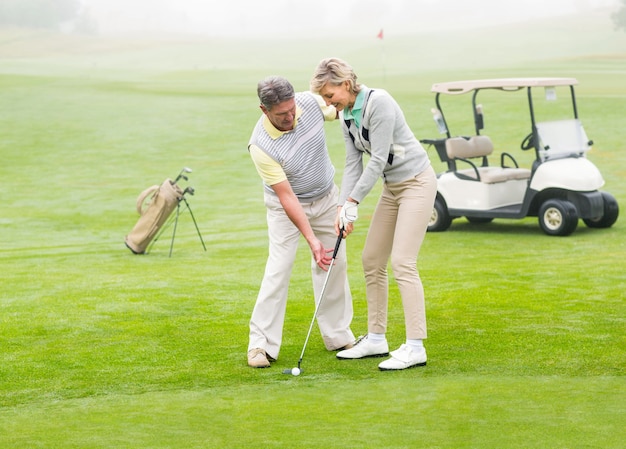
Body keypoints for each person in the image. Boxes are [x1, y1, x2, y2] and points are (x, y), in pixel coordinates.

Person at [310, 58, 437, 371]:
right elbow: (353, 164)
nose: (329, 103)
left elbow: (378, 160)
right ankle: (377, 338)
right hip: (392, 189)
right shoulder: (345, 117)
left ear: (345, 84)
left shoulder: (379, 103)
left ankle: (415, 346)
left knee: (403, 262)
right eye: (325, 98)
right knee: (372, 260)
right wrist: (342, 207)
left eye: (330, 95)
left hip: (417, 183)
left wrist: (354, 201)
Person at [247, 76, 355, 368]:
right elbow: (287, 198)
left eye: (291, 109)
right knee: (278, 269)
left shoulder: (307, 101)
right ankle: (260, 345)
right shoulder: (261, 145)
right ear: (264, 109)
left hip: (326, 197)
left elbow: (335, 109)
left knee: (335, 262)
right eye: (282, 114)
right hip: (287, 208)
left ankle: (337, 335)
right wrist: (312, 240)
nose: (290, 117)